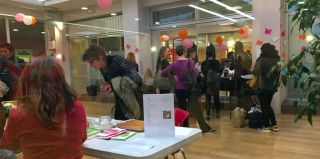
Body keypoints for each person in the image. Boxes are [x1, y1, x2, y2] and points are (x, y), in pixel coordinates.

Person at [0, 56, 87, 158]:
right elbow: (82, 138)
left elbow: (9, 145)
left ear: (26, 81)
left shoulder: (19, 115)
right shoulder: (76, 107)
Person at [162, 45, 216, 134]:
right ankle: (204, 129)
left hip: (179, 89)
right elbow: (196, 74)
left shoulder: (174, 63)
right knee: (196, 109)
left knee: (183, 110)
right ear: (184, 52)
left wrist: (173, 76)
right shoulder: (190, 62)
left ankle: (185, 128)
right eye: (186, 51)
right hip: (189, 89)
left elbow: (164, 73)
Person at [82, 45, 142, 120]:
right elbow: (114, 83)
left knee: (133, 124)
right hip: (119, 102)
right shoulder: (102, 68)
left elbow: (137, 80)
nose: (90, 65)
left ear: (100, 58)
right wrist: (109, 85)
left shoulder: (118, 61)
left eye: (91, 62)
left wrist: (117, 84)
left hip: (133, 100)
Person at [251, 43, 280, 133]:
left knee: (264, 107)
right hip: (273, 86)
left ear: (263, 50)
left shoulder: (262, 60)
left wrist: (253, 69)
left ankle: (266, 126)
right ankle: (274, 125)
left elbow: (255, 72)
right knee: (268, 105)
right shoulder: (277, 60)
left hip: (263, 86)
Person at [201, 44, 223, 120]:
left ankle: (207, 115)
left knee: (208, 99)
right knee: (216, 98)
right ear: (213, 53)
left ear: (206, 54)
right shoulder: (216, 62)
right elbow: (220, 70)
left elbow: (203, 72)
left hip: (207, 82)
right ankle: (218, 113)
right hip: (215, 82)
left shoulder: (203, 63)